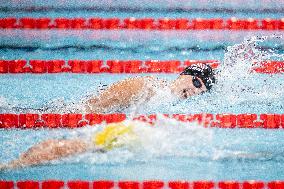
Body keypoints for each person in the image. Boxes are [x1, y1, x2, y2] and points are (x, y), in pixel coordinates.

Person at [0, 120, 150, 169]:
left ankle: (13, 165)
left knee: (56, 148)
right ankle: (15, 164)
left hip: (110, 139)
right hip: (112, 136)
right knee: (50, 145)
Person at [84, 63, 216, 113]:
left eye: (200, 92)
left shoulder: (171, 102)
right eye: (197, 83)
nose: (195, 91)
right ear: (185, 74)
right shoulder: (145, 87)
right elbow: (91, 108)